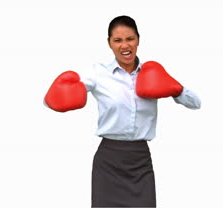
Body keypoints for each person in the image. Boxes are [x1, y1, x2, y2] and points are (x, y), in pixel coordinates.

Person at [44, 15, 201, 207]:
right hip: (109, 159)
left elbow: (196, 103)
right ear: (109, 43)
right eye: (117, 40)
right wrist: (56, 96)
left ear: (138, 40)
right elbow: (51, 99)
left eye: (130, 39)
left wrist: (176, 89)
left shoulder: (152, 72)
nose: (124, 46)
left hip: (140, 160)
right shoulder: (97, 73)